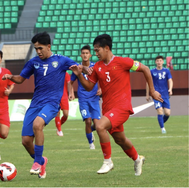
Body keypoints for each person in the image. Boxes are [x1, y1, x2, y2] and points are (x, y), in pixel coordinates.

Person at [70, 34, 163, 176]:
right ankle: (137, 158)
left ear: (107, 48)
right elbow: (89, 87)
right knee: (120, 139)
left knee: (100, 126)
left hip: (122, 107)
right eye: (94, 51)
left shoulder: (123, 62)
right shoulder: (98, 67)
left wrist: (152, 90)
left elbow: (145, 69)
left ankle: (108, 161)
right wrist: (79, 75)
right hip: (108, 109)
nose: (95, 54)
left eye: (97, 50)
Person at [2, 32, 77, 179]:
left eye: (40, 48)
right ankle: (42, 161)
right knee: (25, 141)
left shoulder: (61, 60)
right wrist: (11, 77)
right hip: (35, 103)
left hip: (51, 103)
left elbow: (76, 68)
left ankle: (37, 162)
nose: (38, 51)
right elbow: (21, 79)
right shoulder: (33, 62)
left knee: (38, 125)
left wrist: (82, 71)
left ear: (48, 47)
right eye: (36, 48)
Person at [69, 45, 101, 150]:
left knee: (97, 125)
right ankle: (91, 143)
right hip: (83, 99)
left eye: (87, 53)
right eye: (83, 53)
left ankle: (91, 130)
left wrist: (101, 89)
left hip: (94, 98)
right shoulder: (77, 68)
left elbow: (101, 78)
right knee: (87, 120)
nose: (85, 55)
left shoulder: (95, 66)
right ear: (80, 55)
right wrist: (71, 93)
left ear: (90, 55)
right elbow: (70, 82)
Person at [146, 55, 173, 134]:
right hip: (156, 95)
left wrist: (170, 89)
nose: (159, 62)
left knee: (167, 113)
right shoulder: (152, 71)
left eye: (160, 61)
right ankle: (162, 128)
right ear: (155, 62)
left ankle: (161, 122)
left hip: (165, 95)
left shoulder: (166, 71)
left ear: (163, 62)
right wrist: (147, 94)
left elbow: (170, 80)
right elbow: (148, 83)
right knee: (160, 111)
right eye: (157, 61)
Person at [54, 72, 71, 136]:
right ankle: (59, 130)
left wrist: (70, 93)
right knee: (57, 113)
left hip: (64, 96)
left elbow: (69, 83)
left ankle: (58, 125)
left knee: (66, 115)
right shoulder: (53, 73)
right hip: (55, 96)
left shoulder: (66, 74)